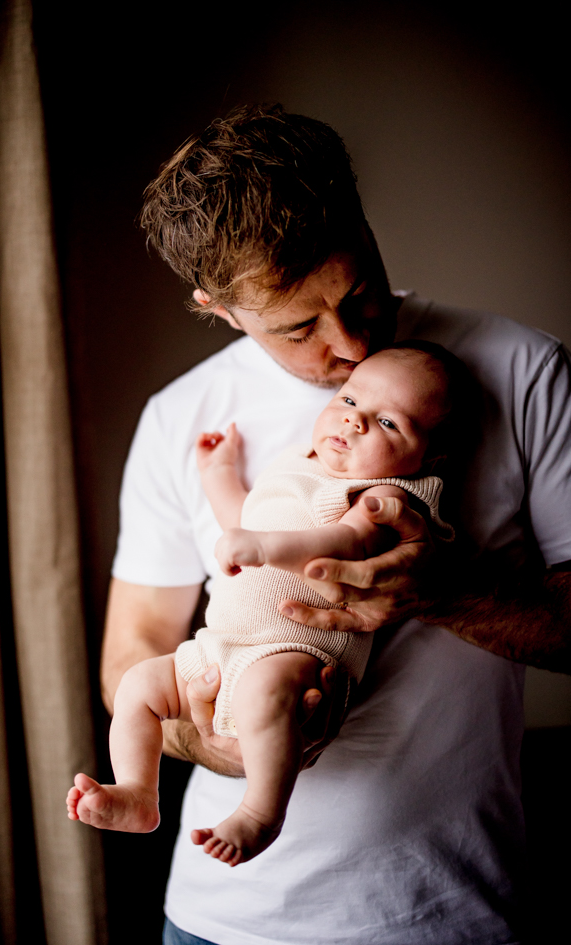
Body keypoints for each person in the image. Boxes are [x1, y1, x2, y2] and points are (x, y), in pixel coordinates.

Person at [102, 105, 571, 944]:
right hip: (219, 920)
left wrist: (450, 594)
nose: (352, 345)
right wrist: (229, 744)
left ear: (362, 213)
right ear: (218, 306)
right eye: (299, 327)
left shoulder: (521, 370)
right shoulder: (184, 420)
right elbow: (130, 653)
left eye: (357, 292)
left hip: (448, 911)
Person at [68, 345, 459, 866]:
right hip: (220, 646)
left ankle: (259, 815)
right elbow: (246, 523)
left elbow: (347, 544)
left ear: (428, 457)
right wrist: (218, 475)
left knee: (265, 694)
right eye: (348, 400)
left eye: (387, 422)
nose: (355, 421)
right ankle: (139, 793)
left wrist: (265, 547)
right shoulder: (297, 465)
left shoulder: (385, 493)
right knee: (138, 684)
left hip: (296, 649)